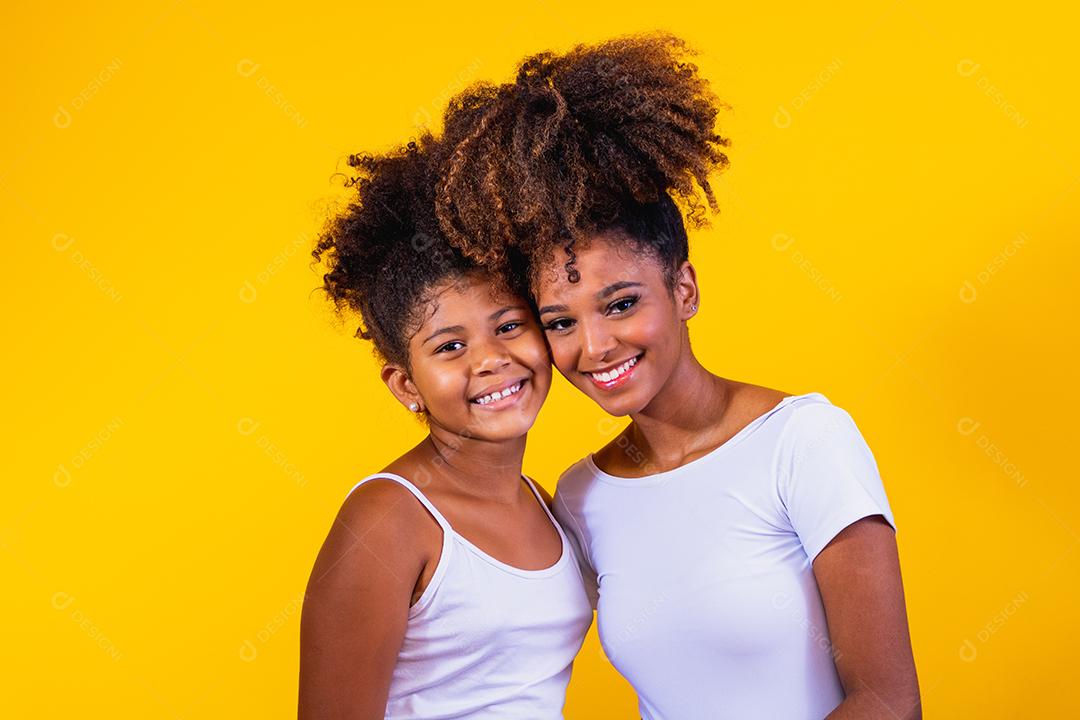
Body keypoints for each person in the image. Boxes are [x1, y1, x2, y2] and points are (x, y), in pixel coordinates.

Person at [434, 33, 921, 719]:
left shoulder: (803, 442)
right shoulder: (581, 495)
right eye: (561, 321)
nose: (595, 346)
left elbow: (888, 701)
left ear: (684, 289)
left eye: (621, 304)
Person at [299, 134, 592, 719]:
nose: (490, 360)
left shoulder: (542, 501)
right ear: (406, 385)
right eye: (450, 346)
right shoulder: (388, 519)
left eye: (508, 326)